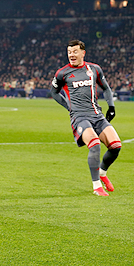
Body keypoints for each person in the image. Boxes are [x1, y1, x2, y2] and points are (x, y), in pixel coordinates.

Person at [50, 40, 121, 197]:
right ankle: (97, 186)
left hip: (97, 114)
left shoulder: (94, 69)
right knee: (94, 144)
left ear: (83, 53)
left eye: (75, 51)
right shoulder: (62, 73)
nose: (71, 55)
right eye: (69, 52)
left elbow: (106, 88)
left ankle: (102, 173)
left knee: (116, 146)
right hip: (79, 116)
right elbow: (54, 92)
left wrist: (111, 107)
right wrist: (68, 106)